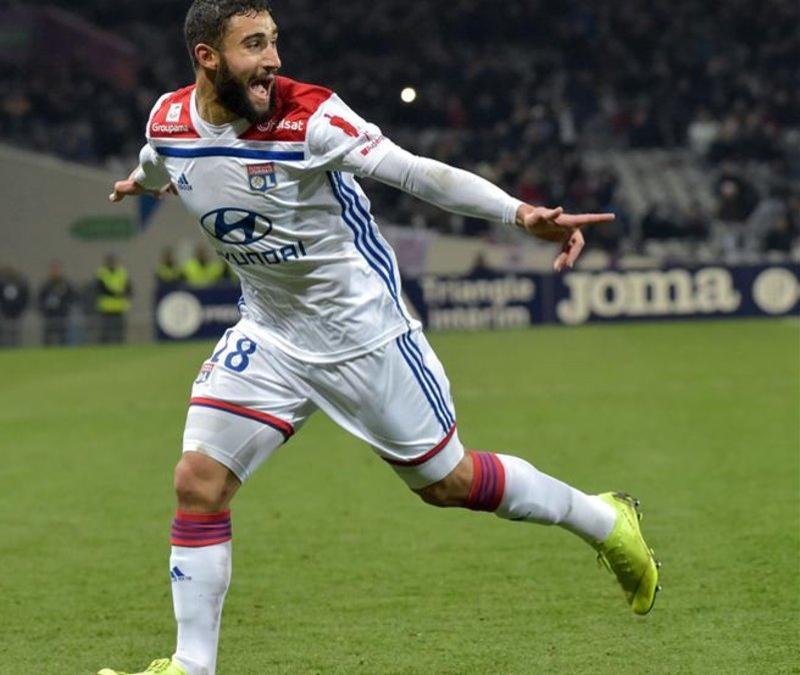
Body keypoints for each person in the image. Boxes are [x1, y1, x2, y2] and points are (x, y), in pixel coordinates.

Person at [103, 3, 659, 674]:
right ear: (207, 57)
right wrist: (144, 181)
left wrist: (519, 214)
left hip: (364, 334)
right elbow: (160, 156)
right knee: (198, 480)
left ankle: (603, 520)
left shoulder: (312, 117)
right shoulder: (168, 121)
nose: (274, 59)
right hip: (271, 333)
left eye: (275, 41)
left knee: (446, 482)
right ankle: (192, 667)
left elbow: (416, 172)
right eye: (255, 45)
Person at [95, 253, 132, 344]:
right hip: (106, 306)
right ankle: (105, 345)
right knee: (106, 329)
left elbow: (128, 288)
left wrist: (124, 295)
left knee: (119, 329)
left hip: (119, 306)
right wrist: (117, 293)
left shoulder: (122, 273)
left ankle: (119, 344)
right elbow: (101, 289)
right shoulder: (102, 273)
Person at [0, 266, 31, 347]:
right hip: (4, 313)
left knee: (15, 333)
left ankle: (15, 347)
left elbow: (25, 297)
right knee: (4, 332)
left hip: (16, 313)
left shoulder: (19, 283)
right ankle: (4, 347)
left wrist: (21, 311)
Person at [38, 261, 76, 346]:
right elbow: (40, 299)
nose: (55, 271)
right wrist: (43, 309)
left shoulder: (66, 284)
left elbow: (73, 297)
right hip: (49, 314)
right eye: (53, 269)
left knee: (63, 335)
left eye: (57, 269)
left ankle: (63, 352)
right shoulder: (46, 285)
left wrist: (66, 306)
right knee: (48, 336)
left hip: (62, 313)